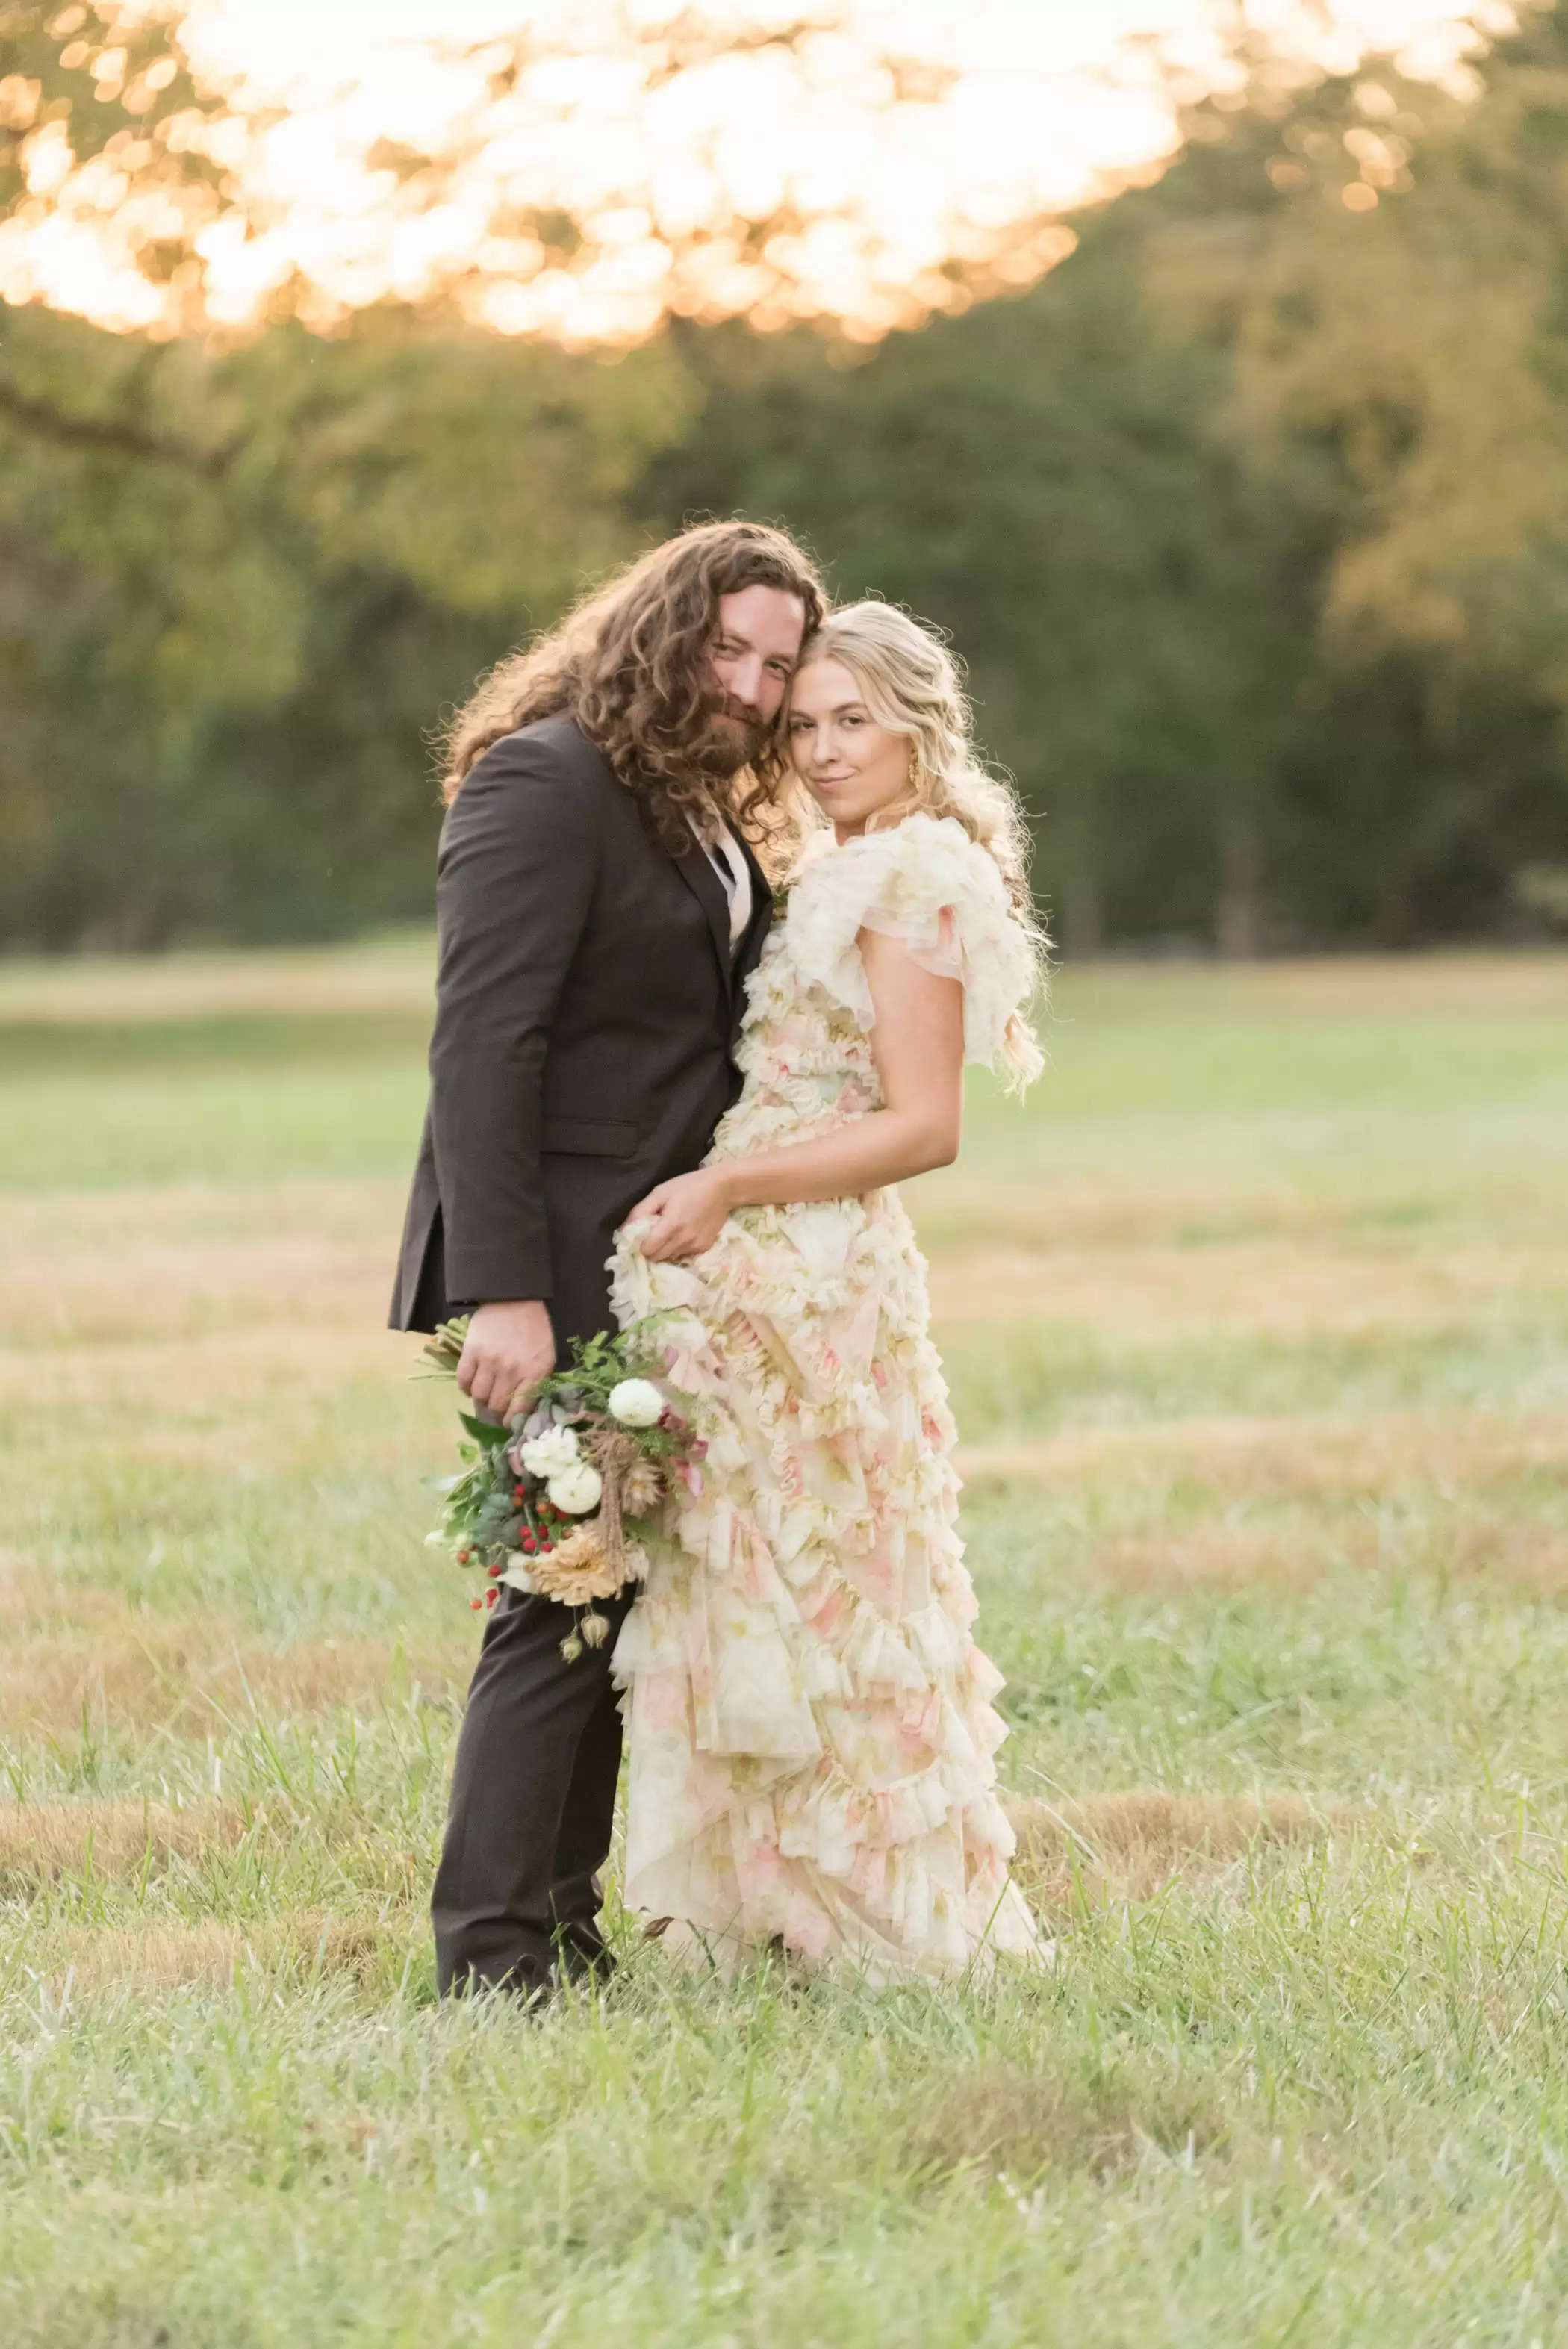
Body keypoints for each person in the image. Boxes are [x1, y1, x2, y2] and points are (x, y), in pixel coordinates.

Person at [390, 519, 827, 1998]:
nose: (756, 688)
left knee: (614, 1591)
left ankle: (560, 1931)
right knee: (560, 1589)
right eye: (730, 649)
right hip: (551, 1262)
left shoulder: (690, 805)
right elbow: (483, 1042)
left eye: (779, 665)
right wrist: (503, 1287)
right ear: (661, 625)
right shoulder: (546, 776)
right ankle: (495, 1956)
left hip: (652, 1264)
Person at [610, 600, 1050, 1982]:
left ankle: (862, 1914)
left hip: (816, 1273)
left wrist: (734, 1189)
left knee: (832, 1593)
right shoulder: (844, 863)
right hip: (762, 1276)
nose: (821, 749)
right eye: (803, 725)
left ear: (921, 720)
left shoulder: (916, 874)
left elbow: (925, 1125)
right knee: (765, 1592)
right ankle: (768, 1912)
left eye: (852, 719)